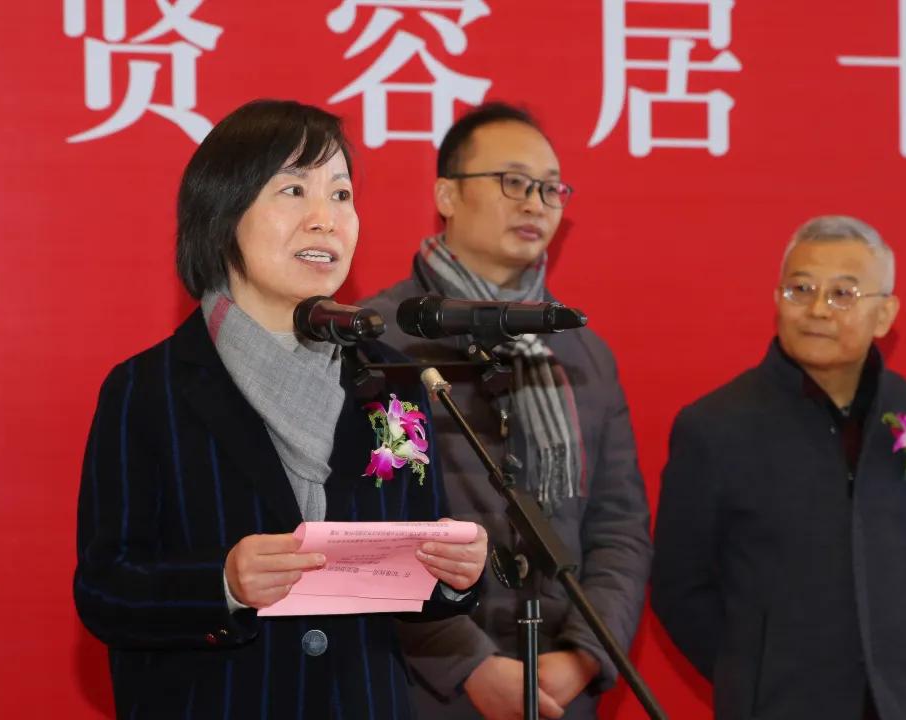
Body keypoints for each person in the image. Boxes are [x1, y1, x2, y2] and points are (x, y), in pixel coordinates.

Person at [73, 99, 488, 720]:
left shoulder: (393, 382)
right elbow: (107, 590)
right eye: (293, 190)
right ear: (223, 215)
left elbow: (411, 568)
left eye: (341, 194)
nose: (325, 219)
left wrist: (454, 575)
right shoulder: (148, 389)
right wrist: (223, 584)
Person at [360, 102, 652, 720]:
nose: (536, 204)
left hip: (560, 689)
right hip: (423, 688)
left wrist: (584, 656)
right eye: (513, 182)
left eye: (551, 189)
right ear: (446, 194)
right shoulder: (384, 340)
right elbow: (373, 525)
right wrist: (469, 664)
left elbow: (618, 527)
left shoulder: (581, 352)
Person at [651, 216, 906, 719]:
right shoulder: (715, 427)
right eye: (800, 289)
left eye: (842, 294)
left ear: (884, 314)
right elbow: (680, 587)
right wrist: (749, 672)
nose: (817, 309)